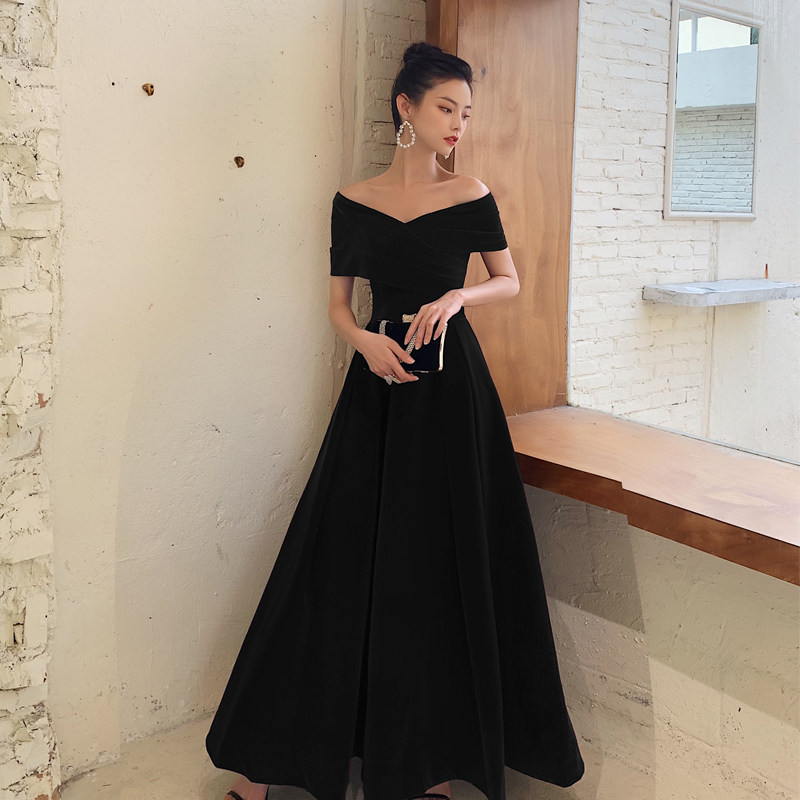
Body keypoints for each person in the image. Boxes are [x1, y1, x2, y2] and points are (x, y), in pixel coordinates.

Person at [206, 41, 585, 800]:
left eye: (467, 112)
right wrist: (364, 341)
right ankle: (267, 760)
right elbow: (337, 308)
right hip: (378, 389)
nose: (459, 124)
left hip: (452, 396)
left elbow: (509, 281)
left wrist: (457, 297)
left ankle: (431, 766)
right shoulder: (353, 201)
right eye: (447, 107)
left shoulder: (471, 194)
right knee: (335, 562)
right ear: (405, 107)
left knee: (441, 565)